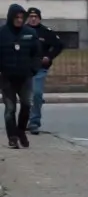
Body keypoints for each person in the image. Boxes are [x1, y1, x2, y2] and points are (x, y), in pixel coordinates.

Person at [0, 4, 40, 148]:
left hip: (25, 77)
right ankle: (12, 137)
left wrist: (34, 69)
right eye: (16, 17)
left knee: (27, 104)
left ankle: (21, 131)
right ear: (11, 18)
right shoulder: (2, 33)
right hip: (7, 78)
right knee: (10, 109)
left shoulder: (29, 33)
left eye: (21, 17)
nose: (19, 20)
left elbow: (36, 53)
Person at [24, 7, 63, 136]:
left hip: (39, 69)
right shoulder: (20, 31)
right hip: (22, 68)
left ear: (39, 18)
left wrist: (49, 57)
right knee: (22, 97)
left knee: (36, 94)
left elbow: (59, 45)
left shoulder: (46, 32)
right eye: (30, 16)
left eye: (36, 16)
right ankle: (21, 122)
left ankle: (34, 122)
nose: (33, 19)